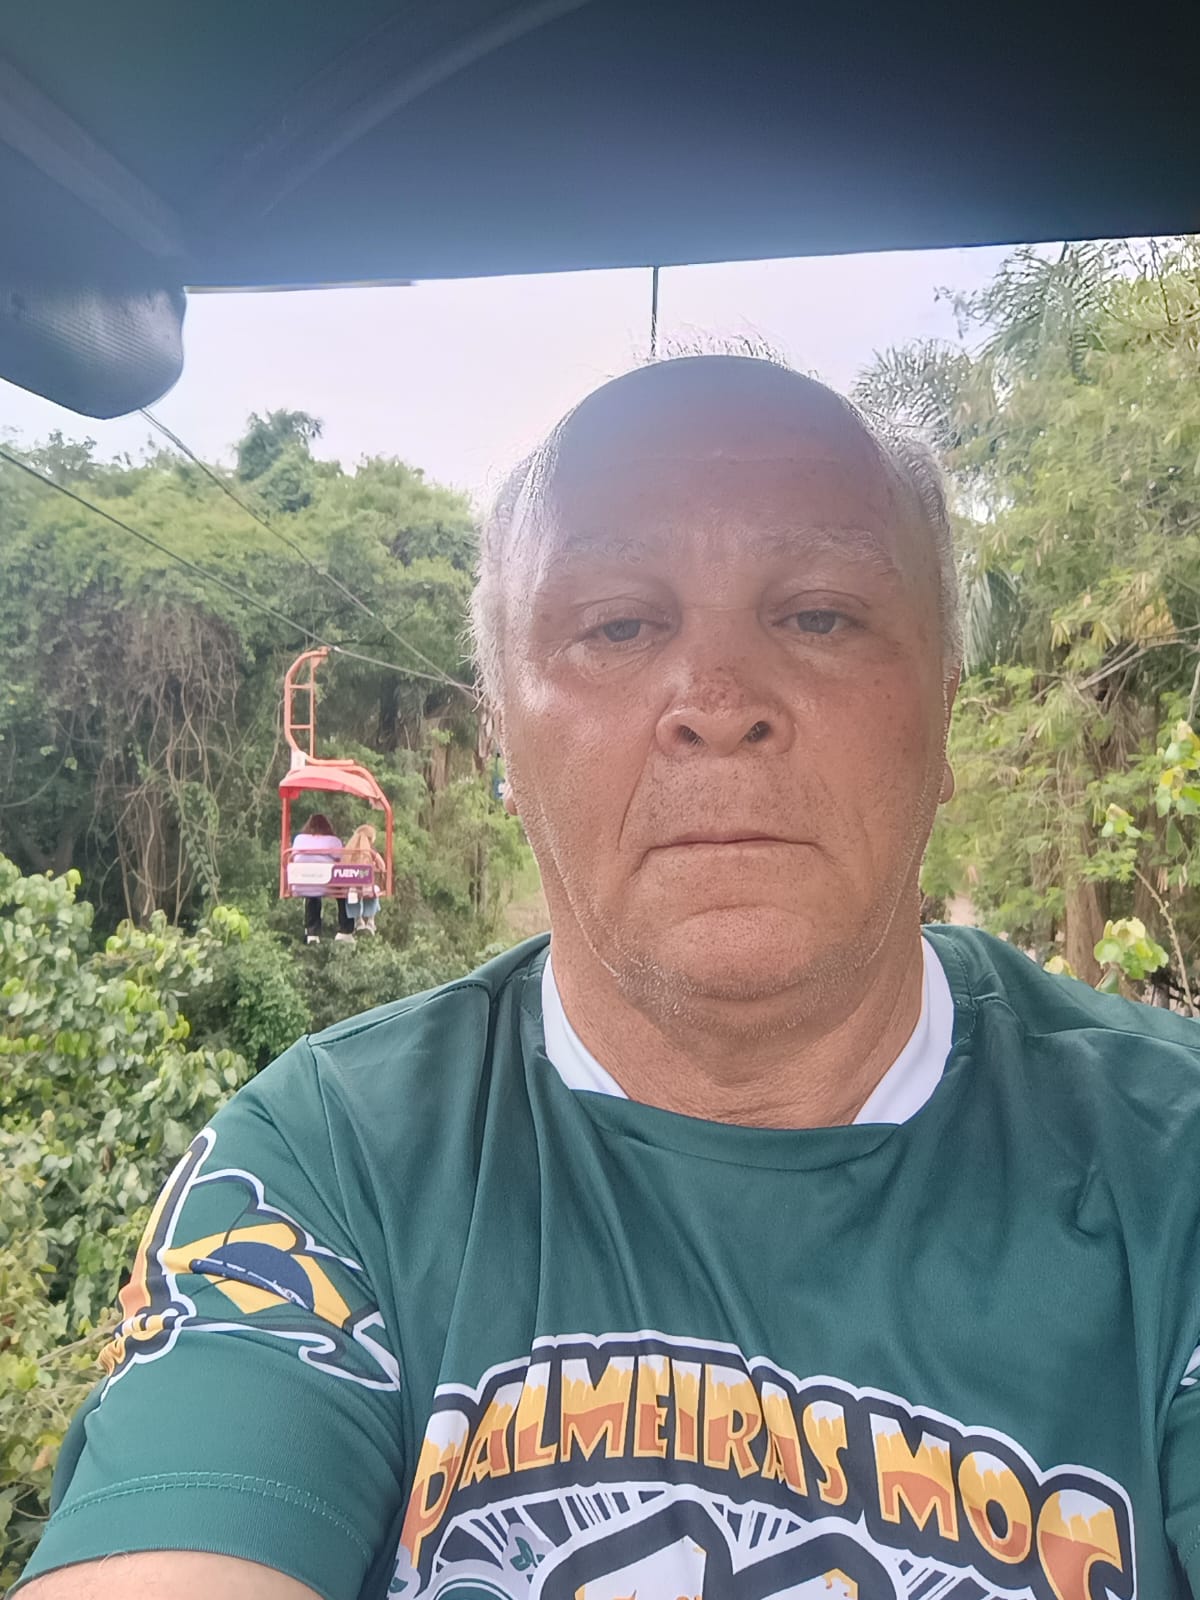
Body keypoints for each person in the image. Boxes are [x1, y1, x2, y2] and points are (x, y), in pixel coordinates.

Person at [19, 356, 1200, 1600]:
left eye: (819, 615)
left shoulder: (1167, 1157)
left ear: (942, 710)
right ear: (502, 737)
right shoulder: (332, 1163)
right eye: (619, 625)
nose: (720, 702)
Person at [290, 811, 354, 944]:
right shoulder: (333, 841)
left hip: (300, 881)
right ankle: (345, 929)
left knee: (312, 894)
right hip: (326, 882)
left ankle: (312, 932)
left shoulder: (299, 839)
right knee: (344, 891)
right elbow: (341, 858)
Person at [341, 822, 386, 934]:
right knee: (373, 891)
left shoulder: (348, 852)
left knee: (352, 891)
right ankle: (370, 920)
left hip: (351, 887)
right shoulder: (369, 852)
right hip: (367, 888)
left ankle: (358, 920)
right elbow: (382, 866)